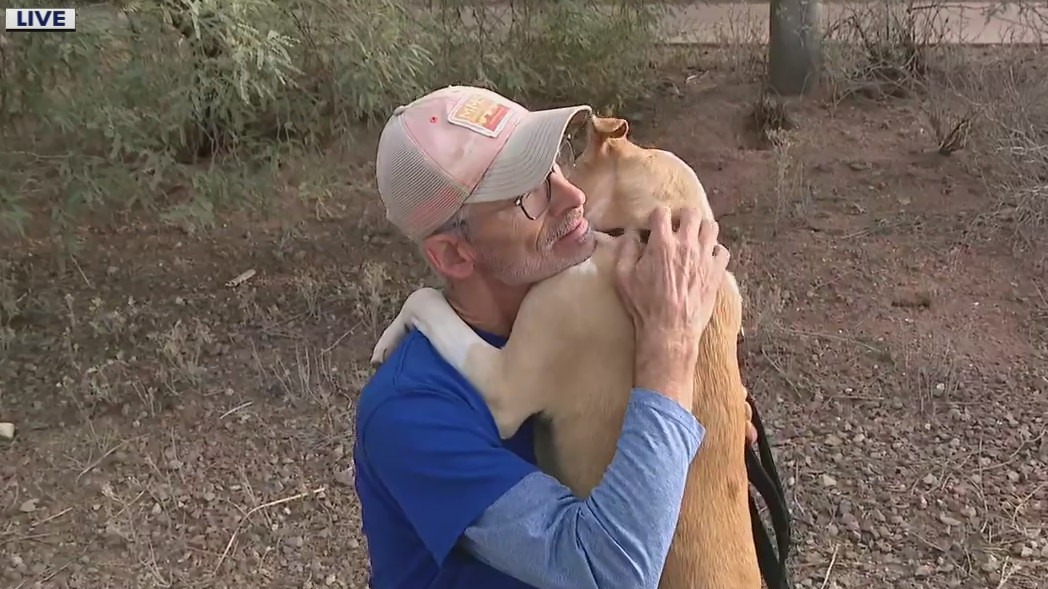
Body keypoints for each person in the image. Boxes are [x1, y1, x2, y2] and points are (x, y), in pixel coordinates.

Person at [353, 85, 737, 589]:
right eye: (528, 195)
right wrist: (671, 351)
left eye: (556, 164)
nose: (573, 196)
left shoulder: (593, 313)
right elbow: (607, 573)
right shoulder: (411, 411)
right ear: (453, 256)